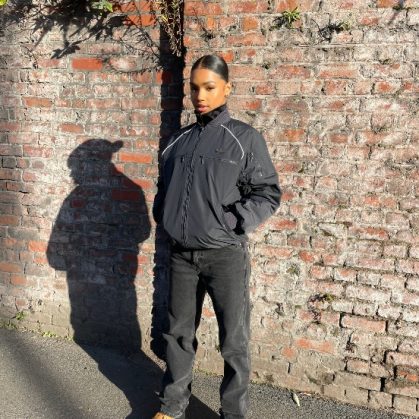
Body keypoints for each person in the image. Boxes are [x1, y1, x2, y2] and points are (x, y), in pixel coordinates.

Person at [152, 55, 281, 419]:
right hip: (181, 255)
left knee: (233, 340)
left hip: (225, 255)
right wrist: (164, 216)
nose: (200, 96)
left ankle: (233, 413)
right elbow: (164, 189)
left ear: (227, 88)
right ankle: (172, 406)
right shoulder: (176, 141)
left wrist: (232, 222)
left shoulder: (244, 139)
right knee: (177, 335)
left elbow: (267, 193)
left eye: (209, 87)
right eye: (194, 88)